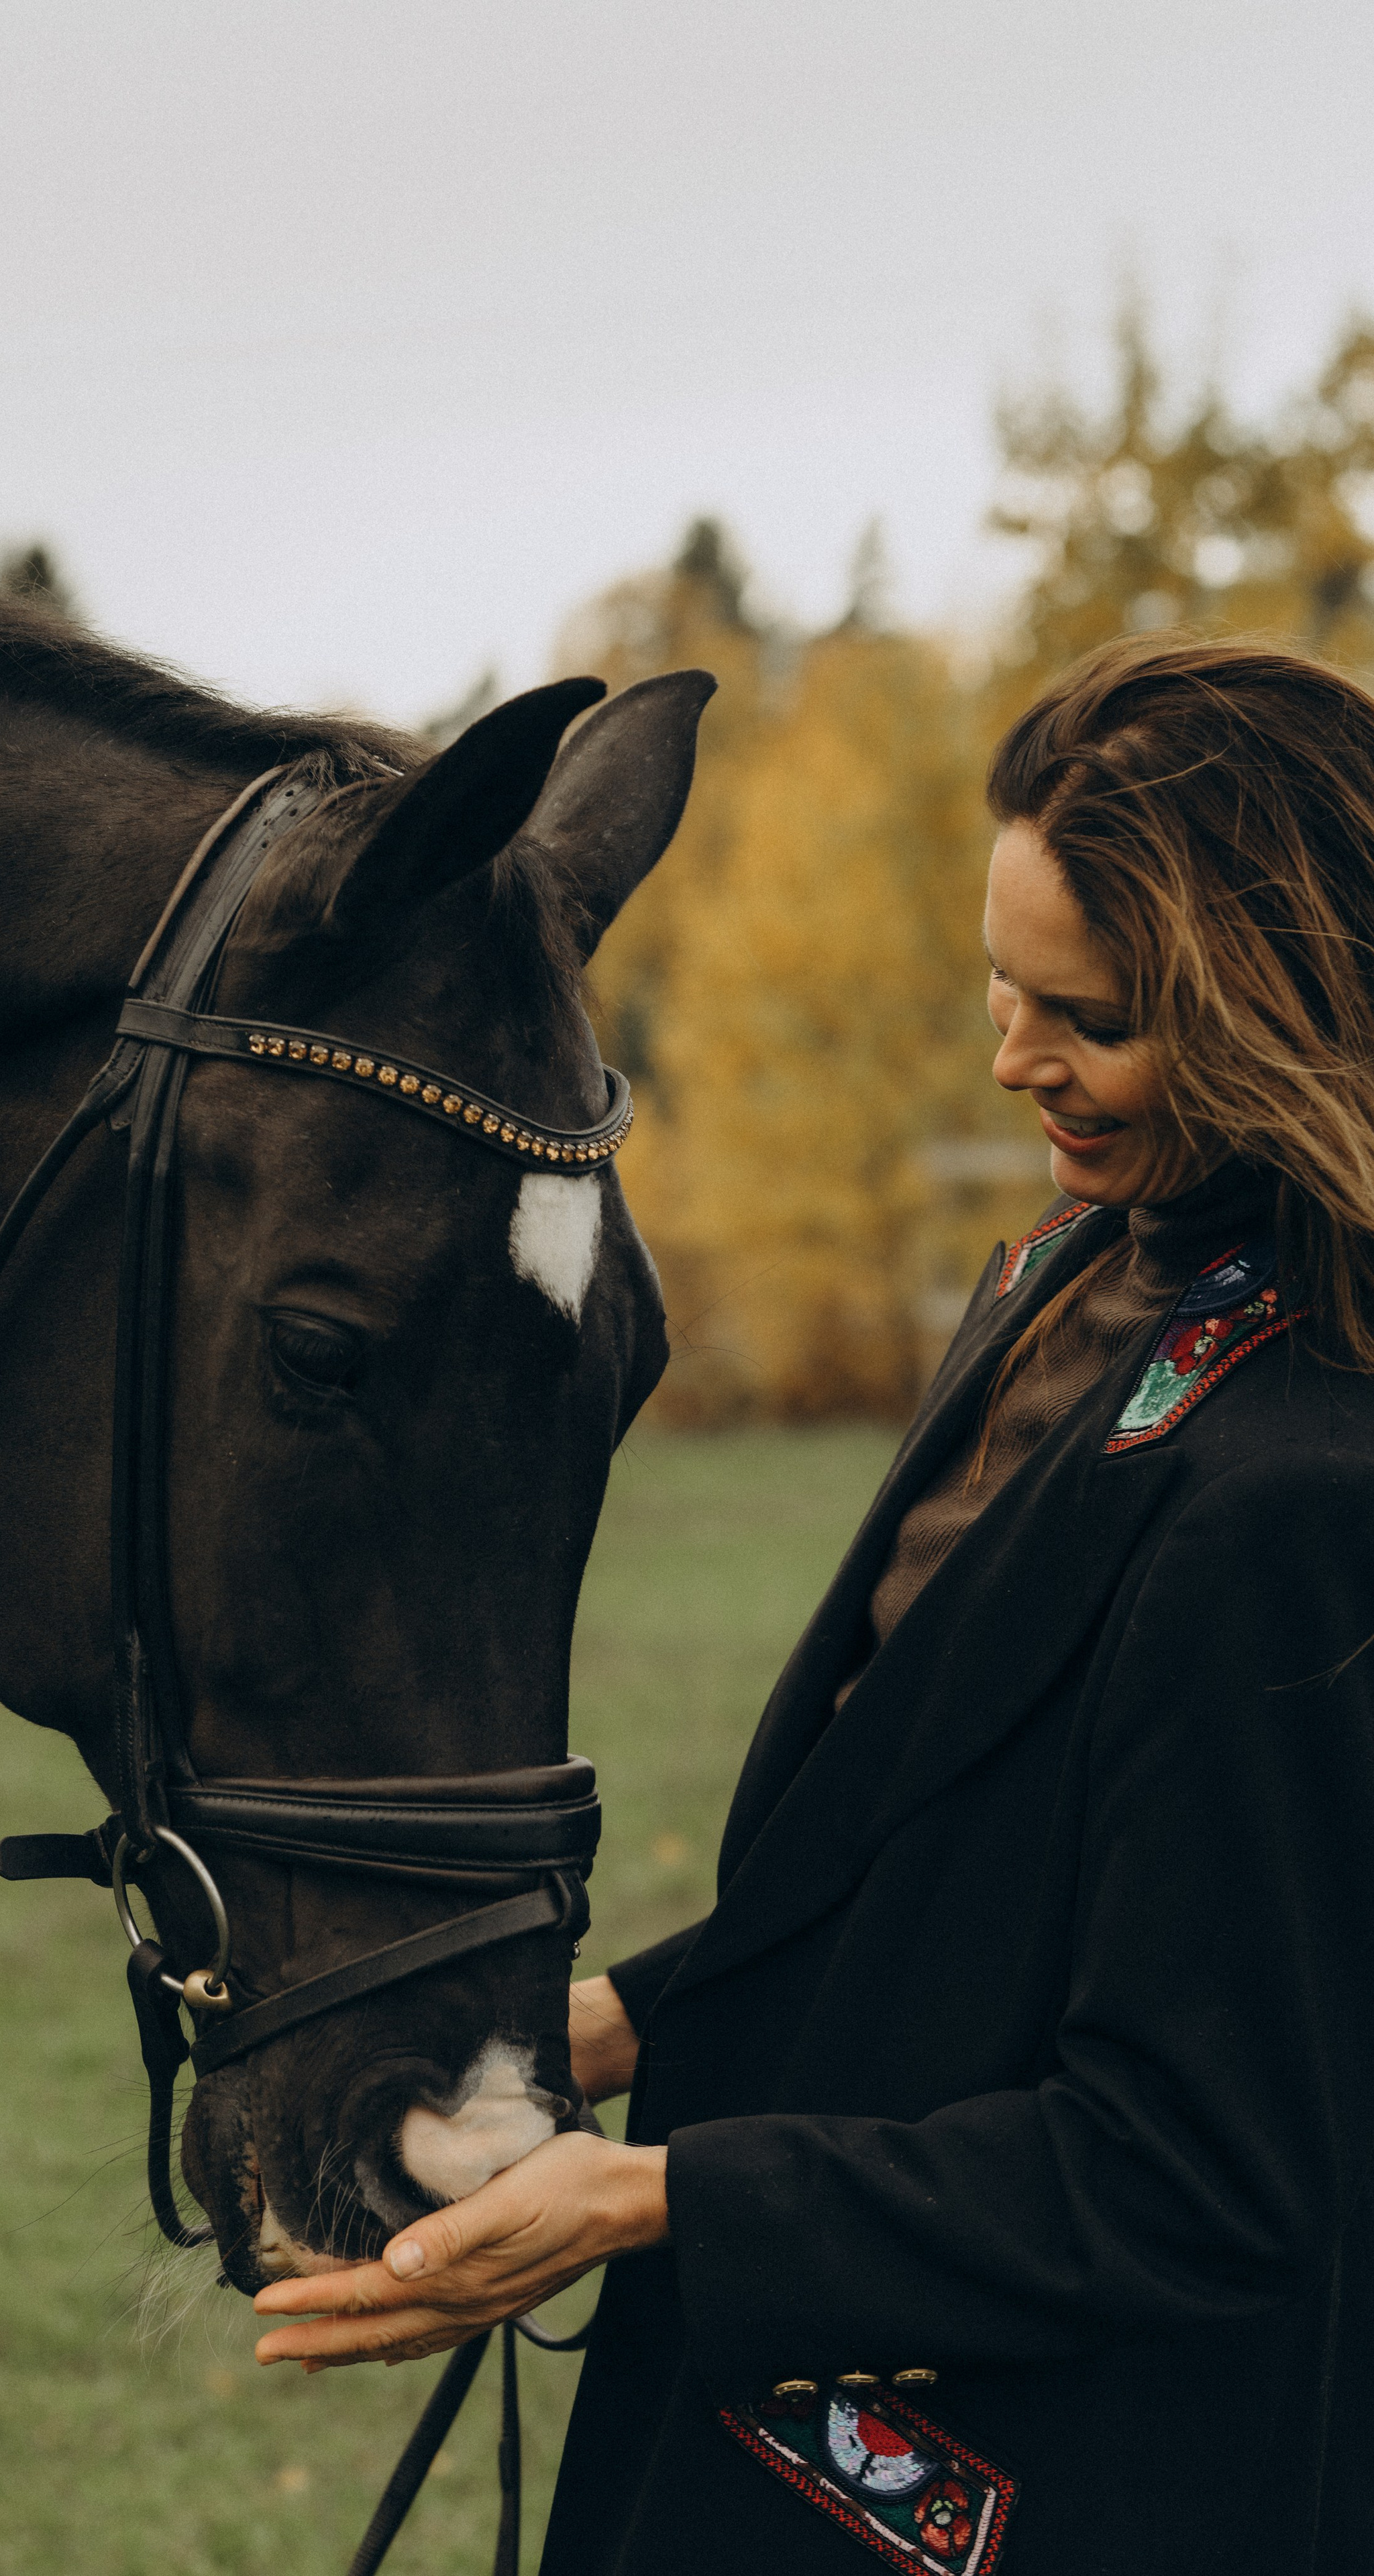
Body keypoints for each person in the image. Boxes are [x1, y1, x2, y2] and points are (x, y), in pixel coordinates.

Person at [252, 635, 1374, 2575]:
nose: (1014, 1058)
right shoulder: (1061, 1269)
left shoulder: (1301, 1496)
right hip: (761, 2426)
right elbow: (931, 1874)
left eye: (1088, 1018)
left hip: (1038, 2493)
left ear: (1279, 1010)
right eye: (1000, 984)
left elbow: (1199, 2173)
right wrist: (600, 2022)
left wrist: (652, 2205)